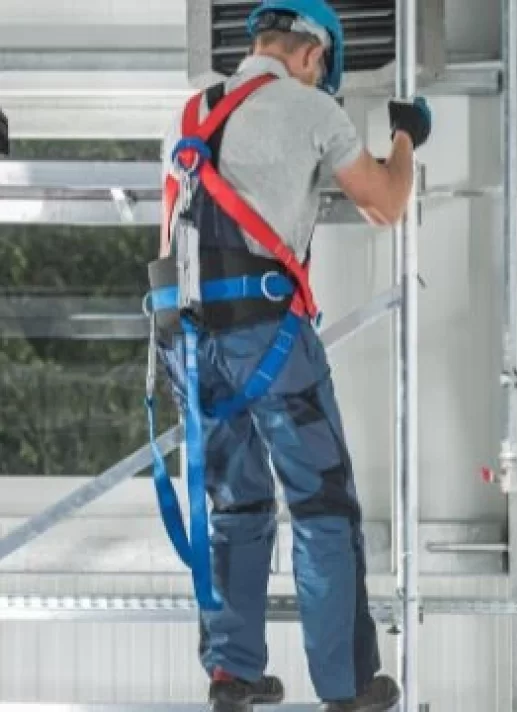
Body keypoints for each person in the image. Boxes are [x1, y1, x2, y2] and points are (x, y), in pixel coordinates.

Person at [144, 1, 431, 710]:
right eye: (322, 68)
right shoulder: (308, 109)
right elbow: (384, 203)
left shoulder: (189, 116)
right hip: (267, 335)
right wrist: (404, 137)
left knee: (234, 504)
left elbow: (167, 240)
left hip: (184, 342)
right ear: (311, 55)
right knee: (321, 504)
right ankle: (347, 685)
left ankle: (233, 673)